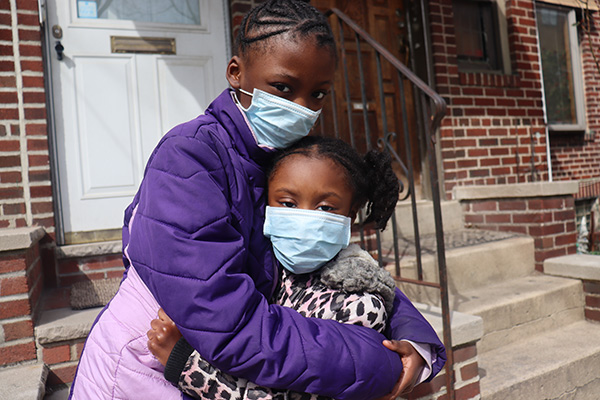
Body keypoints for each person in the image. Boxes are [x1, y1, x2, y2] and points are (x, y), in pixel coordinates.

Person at [69, 1, 444, 399]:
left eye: (317, 94)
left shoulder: (282, 154)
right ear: (236, 73)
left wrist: (415, 340)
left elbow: (348, 266)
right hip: (146, 367)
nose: (301, 109)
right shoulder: (190, 158)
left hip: (218, 372)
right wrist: (379, 363)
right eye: (283, 88)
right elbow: (227, 320)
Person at [146, 135, 443, 400]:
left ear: (350, 217)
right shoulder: (263, 263)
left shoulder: (359, 306)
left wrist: (184, 363)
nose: (304, 218)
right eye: (287, 203)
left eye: (326, 208)